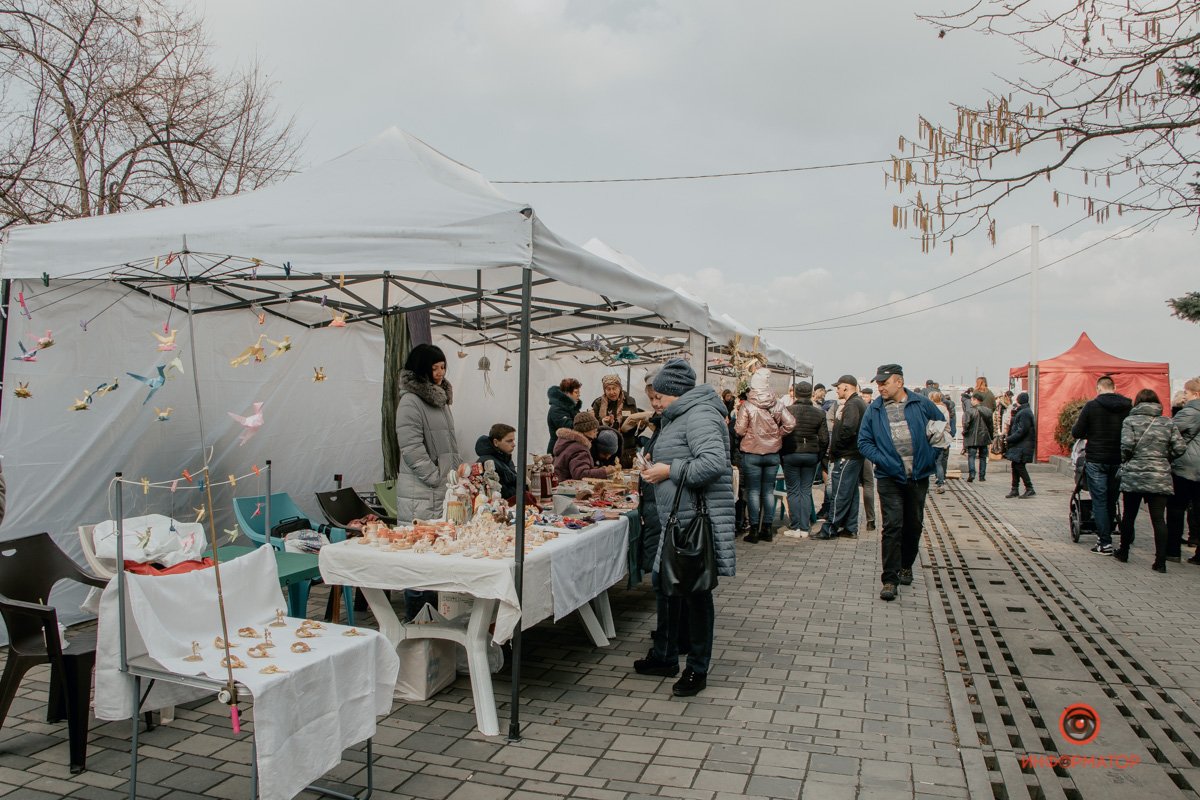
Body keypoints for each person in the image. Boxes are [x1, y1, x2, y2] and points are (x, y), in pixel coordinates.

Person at [634, 358, 735, 697]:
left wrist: (667, 470)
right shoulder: (681, 415)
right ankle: (665, 656)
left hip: (693, 520)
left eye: (659, 395)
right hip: (676, 517)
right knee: (665, 585)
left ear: (675, 393)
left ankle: (697, 668)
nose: (655, 401)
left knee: (695, 594)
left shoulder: (701, 415)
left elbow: (713, 463)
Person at [858, 364, 943, 602]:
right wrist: (883, 460)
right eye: (878, 383)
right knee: (892, 526)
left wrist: (931, 455)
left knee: (913, 524)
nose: (880, 387)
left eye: (884, 382)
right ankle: (890, 579)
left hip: (918, 477)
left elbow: (943, 428)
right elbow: (863, 442)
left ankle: (907, 565)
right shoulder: (874, 410)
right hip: (889, 477)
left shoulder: (921, 404)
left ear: (899, 382)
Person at [395, 343, 463, 618]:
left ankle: (434, 619)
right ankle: (415, 621)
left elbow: (451, 445)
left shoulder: (440, 400)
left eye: (443, 367)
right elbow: (411, 448)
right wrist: (436, 477)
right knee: (418, 559)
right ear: (422, 369)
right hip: (421, 491)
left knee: (437, 554)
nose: (440, 372)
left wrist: (455, 476)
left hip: (442, 487)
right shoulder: (411, 401)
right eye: (435, 367)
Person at [1114, 389, 1185, 571]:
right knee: (1158, 519)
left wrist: (1129, 458)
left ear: (1137, 402)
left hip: (1134, 474)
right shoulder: (1167, 422)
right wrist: (1164, 457)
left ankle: (1124, 551)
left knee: (1129, 515)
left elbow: (1127, 445)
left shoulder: (1130, 421)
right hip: (1159, 476)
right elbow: (1180, 447)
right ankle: (1160, 562)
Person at [1070, 375, 1132, 555]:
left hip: (1096, 459)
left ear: (1098, 389)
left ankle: (1104, 542)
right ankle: (1111, 535)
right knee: (1112, 500)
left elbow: (1077, 432)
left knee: (1099, 500)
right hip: (1118, 459)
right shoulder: (1128, 406)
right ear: (1114, 387)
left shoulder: (1092, 406)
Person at [736, 369, 795, 543]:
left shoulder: (747, 405)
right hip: (772, 453)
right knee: (768, 491)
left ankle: (754, 530)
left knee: (753, 491)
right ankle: (767, 528)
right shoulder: (776, 403)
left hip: (751, 453)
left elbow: (739, 429)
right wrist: (778, 434)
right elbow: (791, 423)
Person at [816, 375, 867, 539]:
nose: (837, 390)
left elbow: (848, 429)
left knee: (840, 493)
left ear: (847, 387)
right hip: (853, 454)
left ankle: (829, 528)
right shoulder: (858, 403)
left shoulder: (852, 404)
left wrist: (836, 449)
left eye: (838, 387)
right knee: (850, 492)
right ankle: (850, 527)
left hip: (847, 455)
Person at [780, 381, 828, 538]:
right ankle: (805, 527)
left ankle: (795, 527)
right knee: (806, 491)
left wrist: (782, 454)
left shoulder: (787, 410)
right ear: (810, 394)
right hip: (811, 454)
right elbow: (824, 439)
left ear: (796, 394)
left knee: (793, 491)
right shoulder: (819, 413)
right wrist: (818, 456)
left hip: (791, 453)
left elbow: (780, 434)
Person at [1171, 379, 1200, 562]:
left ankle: (1172, 550)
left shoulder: (1190, 411)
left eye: (1186, 393)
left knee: (1176, 508)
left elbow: (1170, 431)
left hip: (1186, 467)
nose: (1184, 396)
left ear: (1196, 394)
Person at [592, 374, 641, 467]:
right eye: (608, 389)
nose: (612, 392)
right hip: (606, 452)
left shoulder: (629, 402)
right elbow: (593, 427)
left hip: (627, 450)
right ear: (604, 390)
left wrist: (633, 426)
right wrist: (603, 423)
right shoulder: (598, 403)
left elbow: (637, 421)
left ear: (620, 388)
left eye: (614, 388)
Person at [554, 412, 618, 481]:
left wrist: (600, 470)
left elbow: (580, 469)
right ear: (585, 431)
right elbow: (580, 474)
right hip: (568, 489)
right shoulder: (579, 448)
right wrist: (605, 472)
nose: (595, 436)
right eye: (594, 431)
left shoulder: (569, 443)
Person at [1004, 392, 1037, 498]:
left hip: (1022, 445)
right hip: (1020, 445)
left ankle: (1029, 488)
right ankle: (1014, 489)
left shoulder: (1024, 413)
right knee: (1015, 465)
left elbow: (1022, 431)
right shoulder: (1024, 411)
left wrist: (1009, 439)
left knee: (1019, 466)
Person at [475, 423, 517, 501]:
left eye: (513, 440)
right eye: (509, 441)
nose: (514, 444)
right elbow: (501, 493)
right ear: (496, 442)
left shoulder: (505, 458)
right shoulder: (487, 462)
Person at [962, 391, 994, 484]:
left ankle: (972, 474)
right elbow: (991, 426)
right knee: (983, 457)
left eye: (971, 399)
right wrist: (991, 436)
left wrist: (965, 433)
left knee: (971, 456)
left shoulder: (970, 411)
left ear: (975, 400)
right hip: (984, 437)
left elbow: (966, 424)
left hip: (972, 437)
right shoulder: (988, 411)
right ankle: (982, 476)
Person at [859, 386, 877, 532]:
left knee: (859, 485)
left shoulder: (850, 406)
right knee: (868, 484)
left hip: (857, 450)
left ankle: (849, 521)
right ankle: (871, 519)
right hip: (868, 451)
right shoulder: (875, 409)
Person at [928, 390, 954, 494]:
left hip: (932, 437)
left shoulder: (931, 409)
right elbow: (947, 424)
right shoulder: (945, 409)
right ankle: (940, 482)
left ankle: (926, 487)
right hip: (942, 437)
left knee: (928, 462)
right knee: (939, 462)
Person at [547, 378, 582, 452]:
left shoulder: (572, 407)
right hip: (558, 450)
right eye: (576, 392)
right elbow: (570, 428)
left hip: (567, 448)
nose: (579, 395)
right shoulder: (556, 409)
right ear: (567, 393)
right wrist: (586, 419)